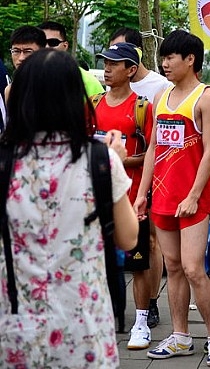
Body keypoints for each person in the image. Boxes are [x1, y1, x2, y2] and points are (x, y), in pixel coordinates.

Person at [0, 49, 138, 367]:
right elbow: (128, 238)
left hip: (16, 330)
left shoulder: (4, 162)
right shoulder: (99, 161)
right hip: (84, 330)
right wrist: (116, 160)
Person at [133, 30, 210, 366]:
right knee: (172, 267)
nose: (165, 63)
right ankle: (181, 336)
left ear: (190, 59)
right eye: (163, 57)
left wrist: (194, 195)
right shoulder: (161, 97)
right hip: (162, 196)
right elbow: (153, 149)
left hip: (192, 200)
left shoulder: (206, 98)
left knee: (193, 269)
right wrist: (142, 193)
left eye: (171, 57)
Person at [92, 42, 155, 350]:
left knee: (138, 262)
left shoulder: (142, 107)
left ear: (131, 70)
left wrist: (121, 161)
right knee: (99, 260)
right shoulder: (93, 103)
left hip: (132, 196)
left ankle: (141, 322)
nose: (107, 68)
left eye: (114, 64)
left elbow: (152, 152)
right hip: (98, 197)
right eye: (105, 62)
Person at [109, 27, 171, 329]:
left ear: (134, 59)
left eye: (117, 57)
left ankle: (151, 303)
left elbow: (156, 145)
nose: (109, 65)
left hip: (147, 182)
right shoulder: (99, 98)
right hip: (111, 185)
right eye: (107, 58)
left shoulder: (159, 87)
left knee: (149, 244)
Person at [38, 21, 104, 97]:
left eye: (53, 42)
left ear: (65, 46)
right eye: (42, 42)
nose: (46, 47)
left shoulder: (87, 80)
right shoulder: (28, 76)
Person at [5, 25, 47, 103]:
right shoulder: (10, 90)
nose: (21, 58)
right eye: (16, 51)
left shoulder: (55, 85)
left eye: (28, 51)